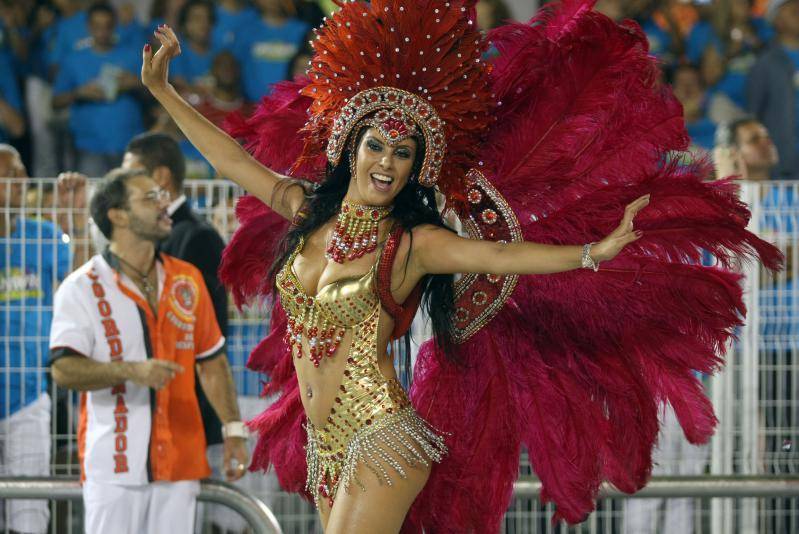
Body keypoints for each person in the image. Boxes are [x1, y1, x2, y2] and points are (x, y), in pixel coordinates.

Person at [141, 1, 780, 532]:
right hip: (326, 444)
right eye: (376, 146)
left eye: (402, 152)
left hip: (381, 437)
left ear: (416, 166)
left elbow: (500, 255)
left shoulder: (413, 243)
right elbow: (230, 160)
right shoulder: (305, 207)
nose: (386, 162)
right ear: (351, 146)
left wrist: (594, 253)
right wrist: (163, 90)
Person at [48, 167, 248, 534]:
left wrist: (234, 429)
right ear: (118, 215)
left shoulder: (188, 278)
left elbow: (212, 362)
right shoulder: (81, 288)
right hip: (114, 469)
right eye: (150, 198)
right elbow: (63, 370)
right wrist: (130, 371)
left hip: (181, 466)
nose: (164, 204)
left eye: (162, 195)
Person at [121, 132, 230, 468]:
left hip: (186, 411)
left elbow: (206, 335)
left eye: (131, 173)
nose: (123, 182)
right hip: (149, 406)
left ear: (161, 177)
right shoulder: (146, 236)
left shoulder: (198, 237)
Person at [0, 144, 77, 534]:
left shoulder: (46, 237)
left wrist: (73, 222)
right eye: (9, 175)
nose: (21, 182)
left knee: (29, 514)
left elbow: (79, 284)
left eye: (22, 174)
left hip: (28, 395)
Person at [52, 3, 144, 177]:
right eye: (97, 26)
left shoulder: (132, 56)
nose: (102, 31)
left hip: (128, 143)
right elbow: (55, 102)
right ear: (88, 27)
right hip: (89, 145)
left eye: (107, 26)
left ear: (114, 26)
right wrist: (78, 93)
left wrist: (137, 83)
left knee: (129, 198)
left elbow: (154, 96)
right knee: (90, 198)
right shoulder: (73, 60)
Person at [747, 0, 799, 179]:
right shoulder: (765, 63)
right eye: (792, 10)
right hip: (784, 165)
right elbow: (754, 115)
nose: (798, 11)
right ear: (777, 21)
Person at [232, 0, 309, 103]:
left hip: (293, 106)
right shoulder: (245, 31)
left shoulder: (302, 31)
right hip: (251, 106)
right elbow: (234, 69)